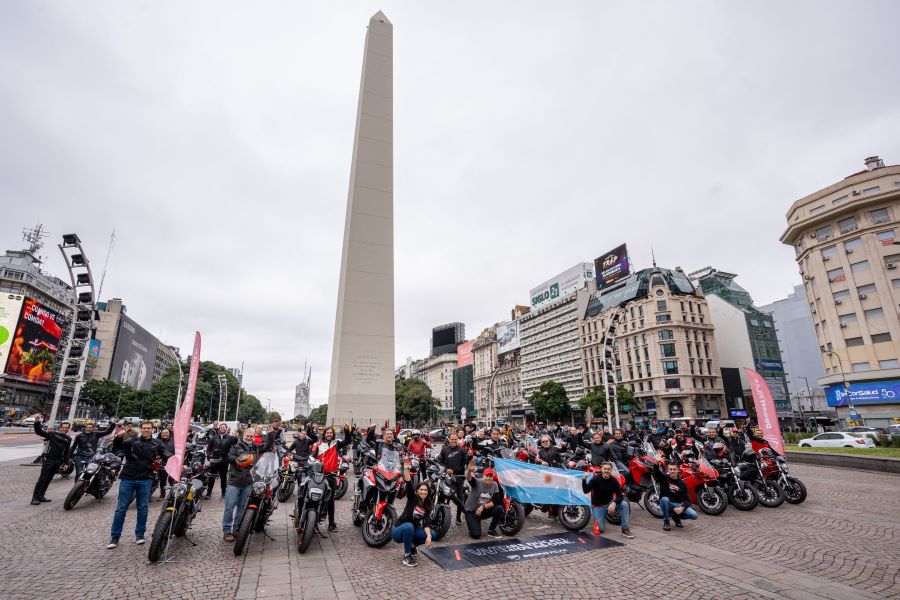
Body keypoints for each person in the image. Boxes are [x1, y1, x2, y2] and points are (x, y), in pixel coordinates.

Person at [108, 421, 170, 548]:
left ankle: (140, 535)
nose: (146, 430)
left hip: (145, 478)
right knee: (121, 508)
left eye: (148, 428)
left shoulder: (157, 443)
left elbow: (166, 455)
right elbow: (118, 447)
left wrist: (179, 460)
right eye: (144, 428)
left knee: (142, 508)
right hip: (128, 477)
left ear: (152, 429)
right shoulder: (132, 441)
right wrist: (118, 437)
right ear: (141, 429)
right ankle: (115, 537)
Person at [222, 427, 274, 542]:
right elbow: (229, 457)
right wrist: (238, 461)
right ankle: (227, 531)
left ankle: (237, 529)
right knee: (229, 507)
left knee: (242, 507)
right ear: (243, 436)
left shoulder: (256, 447)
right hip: (234, 481)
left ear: (254, 437)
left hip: (248, 482)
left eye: (251, 436)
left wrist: (271, 434)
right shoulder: (236, 447)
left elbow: (268, 446)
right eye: (247, 436)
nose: (249, 438)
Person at [309, 425, 353, 533]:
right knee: (315, 498)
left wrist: (347, 430)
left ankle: (331, 524)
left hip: (331, 476)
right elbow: (312, 456)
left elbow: (348, 440)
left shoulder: (336, 444)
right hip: (319, 475)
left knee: (330, 501)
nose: (329, 434)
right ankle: (312, 523)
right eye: (327, 433)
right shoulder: (318, 444)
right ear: (324, 434)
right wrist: (312, 462)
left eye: (331, 433)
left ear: (333, 434)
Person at [391, 456, 433, 567]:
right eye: (421, 490)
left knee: (432, 534)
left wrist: (429, 536)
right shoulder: (413, 498)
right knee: (409, 526)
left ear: (428, 492)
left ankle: (412, 545)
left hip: (411, 530)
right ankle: (407, 556)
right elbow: (409, 483)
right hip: (398, 531)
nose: (423, 492)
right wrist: (406, 469)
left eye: (425, 490)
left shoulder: (428, 505)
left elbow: (427, 522)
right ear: (417, 491)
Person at [581, 462, 634, 538]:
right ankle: (601, 517)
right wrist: (584, 479)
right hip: (598, 506)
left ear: (611, 470)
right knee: (601, 529)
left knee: (624, 504)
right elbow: (585, 491)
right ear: (601, 469)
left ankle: (625, 529)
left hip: (609, 502)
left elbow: (620, 496)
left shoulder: (614, 481)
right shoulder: (595, 479)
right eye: (605, 469)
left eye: (608, 469)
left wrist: (614, 503)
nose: (606, 471)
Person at [31, 416, 72, 505]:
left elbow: (67, 452)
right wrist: (37, 422)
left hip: (58, 461)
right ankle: (35, 498)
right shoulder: (52, 434)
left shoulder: (68, 439)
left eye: (66, 428)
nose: (64, 429)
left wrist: (66, 463)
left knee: (49, 479)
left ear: (68, 429)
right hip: (48, 460)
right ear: (60, 427)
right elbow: (39, 431)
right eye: (63, 427)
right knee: (42, 479)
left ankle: (41, 496)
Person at [463, 457, 503, 539]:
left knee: (499, 508)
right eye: (487, 476)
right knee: (476, 535)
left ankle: (491, 530)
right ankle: (472, 522)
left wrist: (482, 507)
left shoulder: (495, 485)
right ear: (483, 476)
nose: (488, 478)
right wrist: (469, 470)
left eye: (490, 476)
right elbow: (469, 479)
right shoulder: (478, 482)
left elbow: (495, 501)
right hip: (471, 510)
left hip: (482, 510)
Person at [654, 459, 698, 531]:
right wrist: (656, 462)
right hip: (665, 503)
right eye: (670, 469)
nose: (672, 471)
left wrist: (682, 507)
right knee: (665, 499)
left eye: (674, 469)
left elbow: (688, 500)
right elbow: (656, 472)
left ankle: (675, 516)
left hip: (677, 505)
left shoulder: (682, 484)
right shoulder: (664, 478)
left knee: (694, 515)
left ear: (678, 470)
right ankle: (666, 521)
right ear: (668, 470)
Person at [436, 433, 468, 524]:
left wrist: (469, 456)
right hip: (448, 477)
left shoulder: (462, 450)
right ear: (449, 440)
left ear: (458, 440)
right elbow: (440, 462)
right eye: (452, 439)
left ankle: (458, 517)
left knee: (460, 498)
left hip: (459, 477)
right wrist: (446, 469)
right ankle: (445, 516)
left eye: (455, 439)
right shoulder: (444, 450)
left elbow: (466, 462)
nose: (453, 441)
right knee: (446, 496)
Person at [205, 423, 234, 498]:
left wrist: (236, 437)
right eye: (221, 427)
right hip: (214, 459)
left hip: (224, 460)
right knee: (212, 477)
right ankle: (209, 493)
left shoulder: (230, 438)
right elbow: (208, 449)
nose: (222, 428)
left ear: (226, 428)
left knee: (223, 477)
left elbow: (235, 445)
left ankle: (224, 492)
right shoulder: (214, 438)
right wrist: (209, 458)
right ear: (219, 428)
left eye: (224, 427)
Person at [156, 428, 175, 499]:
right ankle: (162, 494)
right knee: (163, 480)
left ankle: (173, 494)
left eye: (166, 433)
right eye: (163, 433)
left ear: (169, 434)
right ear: (161, 434)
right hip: (162, 463)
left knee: (172, 479)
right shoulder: (158, 441)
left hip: (172, 462)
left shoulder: (174, 440)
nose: (164, 434)